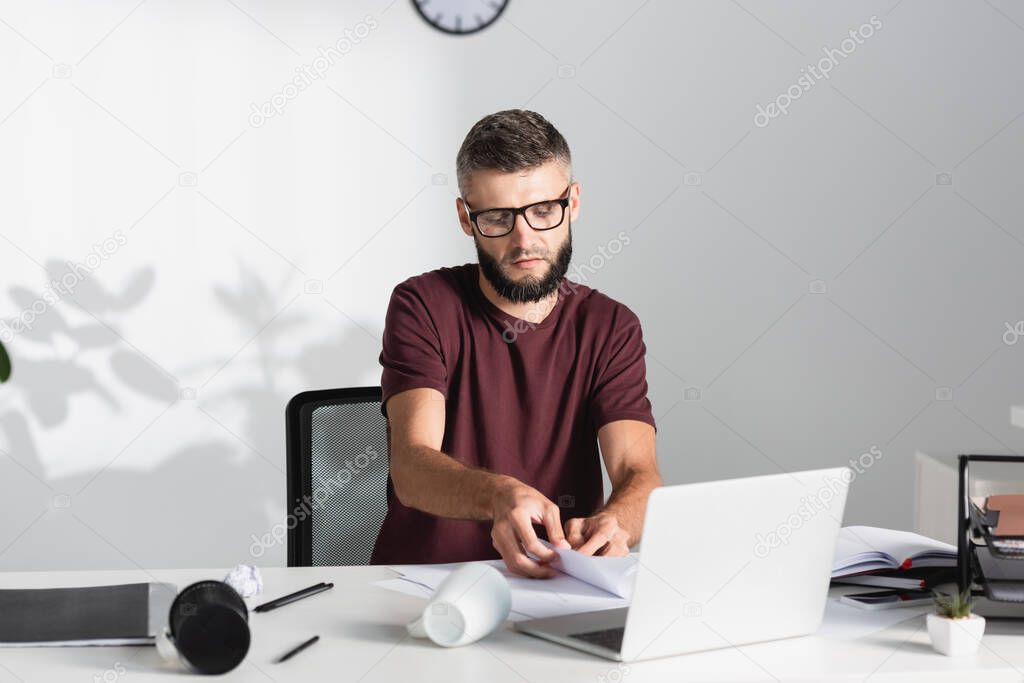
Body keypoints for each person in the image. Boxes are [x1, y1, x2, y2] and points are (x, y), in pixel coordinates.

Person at [369, 109, 662, 578]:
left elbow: (638, 474)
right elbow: (411, 465)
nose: (524, 239)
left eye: (544, 211)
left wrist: (618, 523)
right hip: (423, 586)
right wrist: (498, 495)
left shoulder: (611, 326)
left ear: (574, 203)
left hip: (557, 585)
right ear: (466, 218)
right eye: (498, 217)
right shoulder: (422, 305)